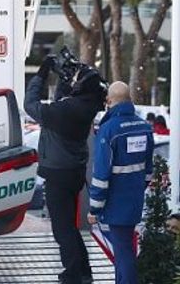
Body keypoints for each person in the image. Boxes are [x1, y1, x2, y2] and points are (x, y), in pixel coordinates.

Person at [25, 57, 107, 284]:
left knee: (62, 230)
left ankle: (72, 274)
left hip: (58, 174)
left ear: (81, 87)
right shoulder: (85, 105)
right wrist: (64, 82)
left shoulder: (66, 110)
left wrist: (41, 75)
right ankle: (83, 270)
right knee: (69, 227)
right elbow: (61, 103)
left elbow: (30, 105)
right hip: (72, 172)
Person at [87, 82, 153, 284]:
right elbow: (148, 170)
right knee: (124, 248)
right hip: (133, 200)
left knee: (124, 252)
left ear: (110, 101)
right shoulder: (144, 127)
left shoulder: (109, 131)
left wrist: (94, 209)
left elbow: (101, 175)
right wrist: (134, 190)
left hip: (114, 204)